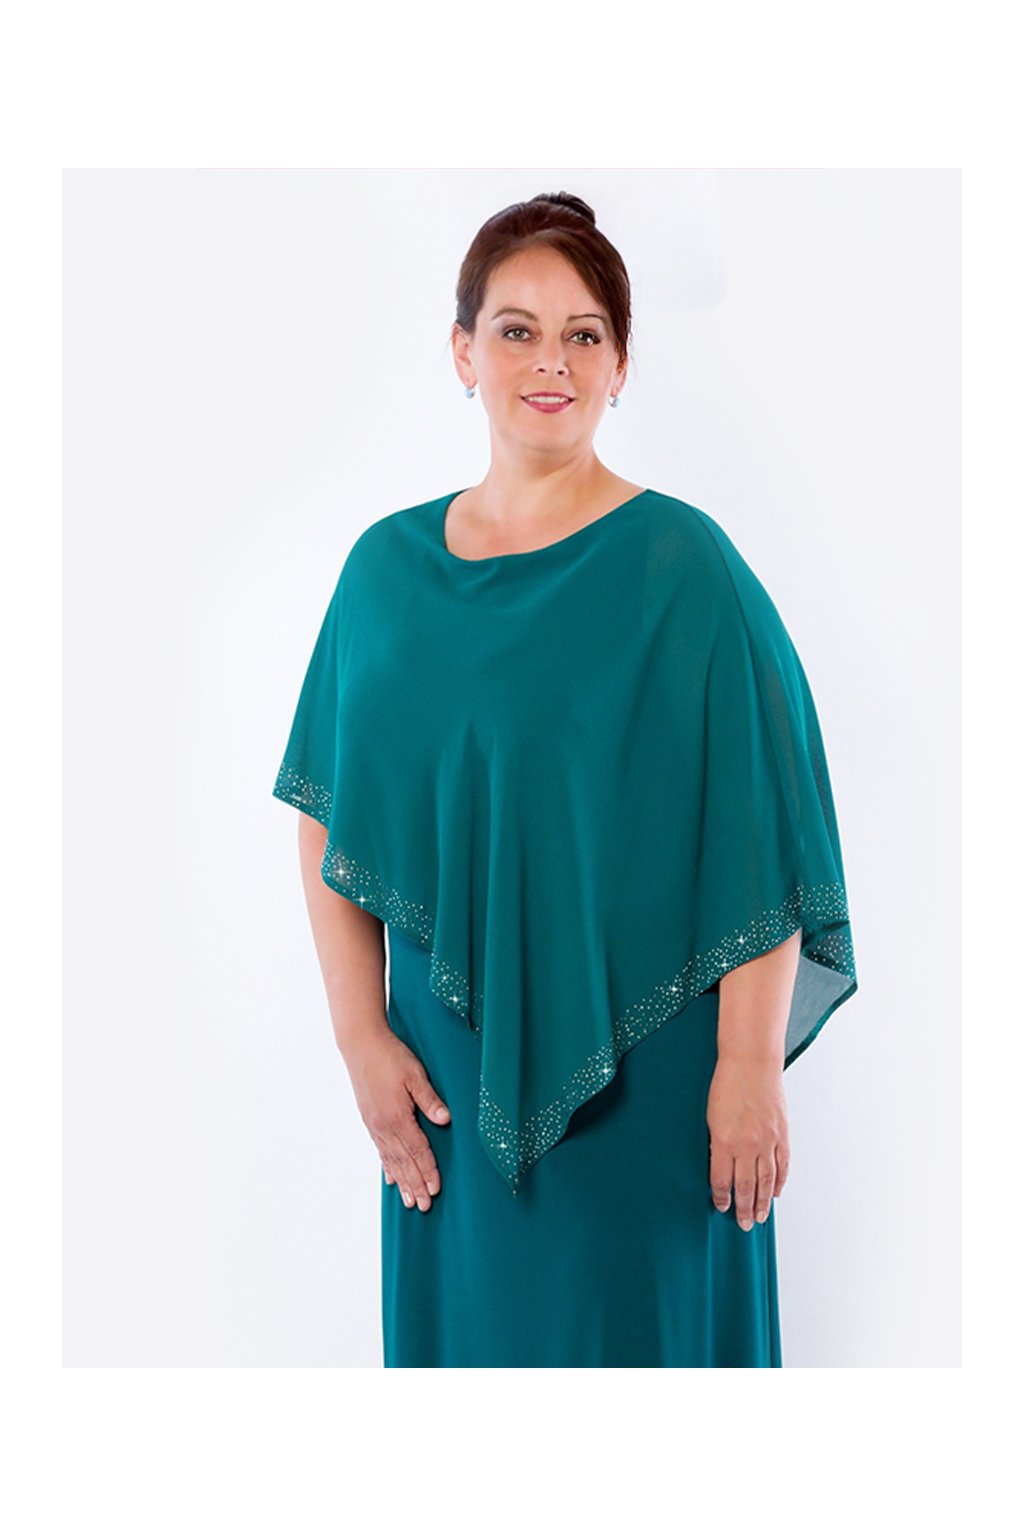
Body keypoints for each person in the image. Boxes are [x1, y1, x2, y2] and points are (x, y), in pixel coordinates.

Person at [272, 191, 857, 1368]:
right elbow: (332, 814)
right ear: (462, 352)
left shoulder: (684, 567)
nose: (552, 360)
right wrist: (359, 1038)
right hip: (447, 1083)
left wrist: (749, 1065)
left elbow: (767, 834)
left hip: (657, 1087)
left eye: (583, 334)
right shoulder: (384, 575)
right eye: (517, 329)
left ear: (620, 366)